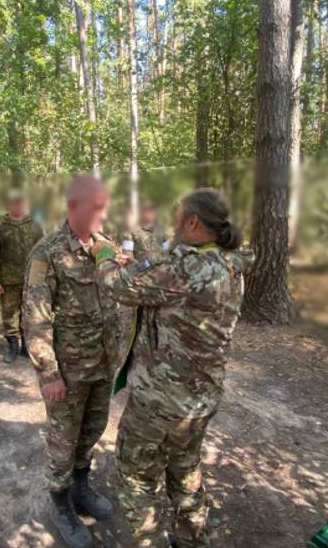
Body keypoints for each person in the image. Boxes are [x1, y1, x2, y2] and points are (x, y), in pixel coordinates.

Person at [90, 188, 254, 547]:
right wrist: (141, 271)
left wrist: (101, 251)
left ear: (193, 221)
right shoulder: (229, 263)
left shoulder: (184, 267)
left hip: (162, 402)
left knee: (135, 478)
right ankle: (192, 539)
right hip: (200, 399)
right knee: (186, 471)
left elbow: (116, 285)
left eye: (177, 216)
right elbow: (164, 291)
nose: (172, 222)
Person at [22, 175, 121, 548]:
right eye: (96, 207)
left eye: (104, 206)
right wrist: (49, 374)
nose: (102, 214)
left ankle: (82, 488)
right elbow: (34, 318)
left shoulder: (104, 247)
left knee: (91, 431)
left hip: (101, 365)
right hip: (67, 372)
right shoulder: (46, 253)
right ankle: (61, 505)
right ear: (72, 208)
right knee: (63, 443)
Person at [0, 188, 44, 363]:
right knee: (9, 315)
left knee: (29, 315)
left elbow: (42, 251)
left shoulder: (34, 224)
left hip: (32, 279)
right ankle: (12, 347)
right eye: (14, 202)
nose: (18, 205)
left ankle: (26, 348)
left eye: (21, 202)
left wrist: (42, 278)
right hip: (8, 279)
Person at [124, 201, 170, 265]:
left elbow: (166, 252)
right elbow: (127, 254)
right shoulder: (131, 231)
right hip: (140, 271)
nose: (150, 213)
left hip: (161, 271)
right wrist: (140, 267)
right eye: (147, 211)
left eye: (152, 211)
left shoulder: (162, 231)